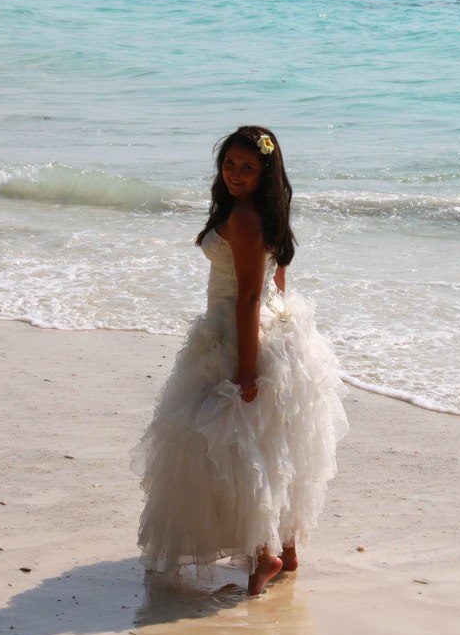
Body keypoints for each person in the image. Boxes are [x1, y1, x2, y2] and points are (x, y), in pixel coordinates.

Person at [132, 125, 348, 596]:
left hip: (239, 332)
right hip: (269, 326)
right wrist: (280, 324)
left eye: (247, 168)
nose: (235, 174)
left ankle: (263, 556)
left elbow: (249, 297)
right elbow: (276, 278)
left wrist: (246, 368)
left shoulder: (246, 217)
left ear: (265, 172)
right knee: (272, 444)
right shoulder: (267, 210)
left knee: (233, 448)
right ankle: (286, 550)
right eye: (230, 164)